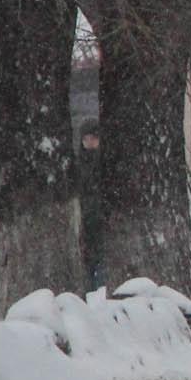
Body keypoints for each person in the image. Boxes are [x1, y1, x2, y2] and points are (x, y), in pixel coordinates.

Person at [75, 121, 106, 291]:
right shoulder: (79, 163)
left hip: (99, 218)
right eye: (86, 138)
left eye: (93, 138)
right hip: (86, 218)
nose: (89, 142)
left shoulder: (101, 162)